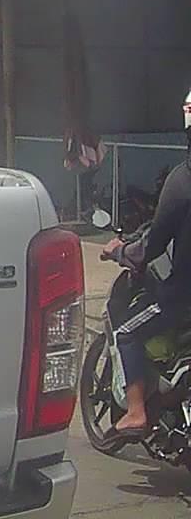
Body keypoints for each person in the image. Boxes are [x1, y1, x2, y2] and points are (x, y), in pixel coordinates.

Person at [102, 89, 191, 439]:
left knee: (125, 332)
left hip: (180, 296)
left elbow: (153, 242)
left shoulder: (183, 179)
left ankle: (136, 411)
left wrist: (121, 252)